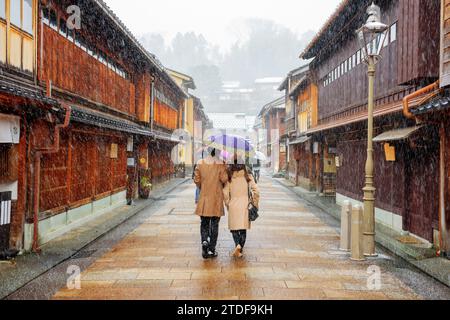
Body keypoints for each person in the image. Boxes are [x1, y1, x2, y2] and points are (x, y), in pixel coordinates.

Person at [194, 148, 229, 259]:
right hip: (216, 199)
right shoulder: (220, 164)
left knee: (204, 223)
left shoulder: (200, 163)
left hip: (204, 198)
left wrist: (203, 186)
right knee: (214, 224)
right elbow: (224, 179)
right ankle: (212, 249)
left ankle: (204, 241)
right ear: (218, 152)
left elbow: (197, 180)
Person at [223, 156, 260, 258]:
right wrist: (255, 203)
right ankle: (240, 247)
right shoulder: (248, 176)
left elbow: (225, 193)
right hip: (245, 205)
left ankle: (237, 246)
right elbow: (256, 191)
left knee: (234, 229)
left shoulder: (229, 176)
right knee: (243, 229)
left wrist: (228, 203)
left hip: (233, 205)